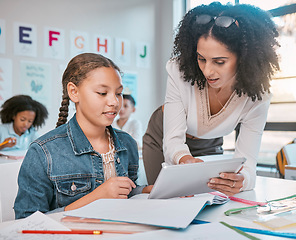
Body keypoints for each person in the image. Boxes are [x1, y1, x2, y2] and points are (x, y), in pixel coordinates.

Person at [143, 2, 279, 196]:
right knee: (165, 198)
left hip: (210, 142)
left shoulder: (257, 97)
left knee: (214, 200)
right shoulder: (179, 71)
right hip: (163, 135)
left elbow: (248, 162)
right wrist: (184, 159)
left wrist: (243, 180)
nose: (207, 71)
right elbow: (173, 140)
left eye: (219, 61)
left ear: (244, 57)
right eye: (201, 58)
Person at [14, 53, 152, 219]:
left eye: (118, 93)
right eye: (102, 93)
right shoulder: (43, 152)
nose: (115, 102)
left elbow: (124, 193)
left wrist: (143, 191)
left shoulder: (127, 143)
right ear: (74, 92)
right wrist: (96, 198)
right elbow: (26, 222)